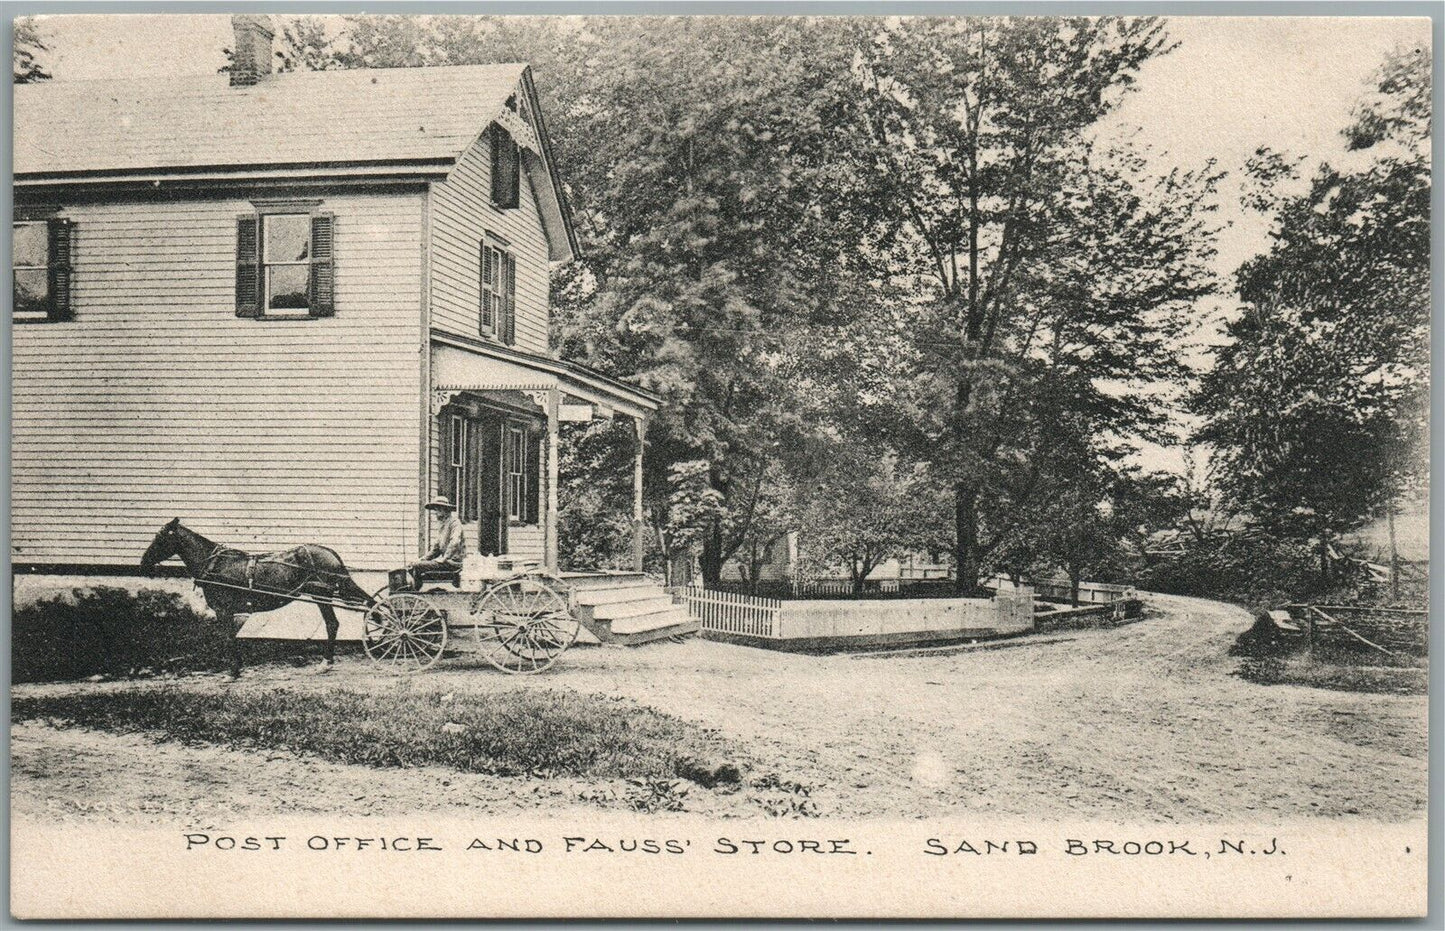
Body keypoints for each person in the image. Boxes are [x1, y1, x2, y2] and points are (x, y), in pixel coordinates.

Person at [411, 496, 466, 585]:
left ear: (445, 510)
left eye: (438, 510)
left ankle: (415, 592)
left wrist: (445, 558)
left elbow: (455, 542)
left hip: (454, 563)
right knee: (415, 564)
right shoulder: (442, 525)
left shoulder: (455, 523)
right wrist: (422, 559)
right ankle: (413, 590)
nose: (436, 513)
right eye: (435, 510)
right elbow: (436, 549)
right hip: (446, 562)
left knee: (417, 566)